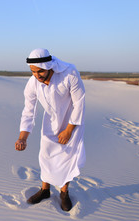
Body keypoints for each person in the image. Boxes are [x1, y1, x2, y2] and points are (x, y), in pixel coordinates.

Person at [15, 48, 86, 212]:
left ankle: (64, 193)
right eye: (33, 71)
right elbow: (29, 111)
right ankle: (45, 190)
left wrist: (68, 130)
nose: (37, 75)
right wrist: (22, 137)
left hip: (72, 121)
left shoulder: (70, 73)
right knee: (46, 156)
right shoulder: (33, 82)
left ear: (49, 66)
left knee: (67, 158)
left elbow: (79, 103)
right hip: (50, 122)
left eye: (40, 71)